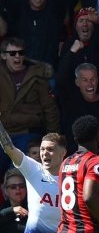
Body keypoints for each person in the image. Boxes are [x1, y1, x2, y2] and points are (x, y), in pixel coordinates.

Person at [0, 37, 61, 172]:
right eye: (12, 53)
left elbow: (50, 108)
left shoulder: (37, 76)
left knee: (20, 172)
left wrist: (53, 140)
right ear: (4, 56)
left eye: (21, 53)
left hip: (27, 133)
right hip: (3, 133)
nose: (17, 56)